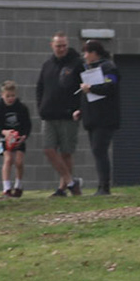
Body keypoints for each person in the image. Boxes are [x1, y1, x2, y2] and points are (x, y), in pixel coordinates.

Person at [35, 32, 86, 197]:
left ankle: (62, 189)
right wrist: (41, 107)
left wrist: (79, 109)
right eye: (58, 46)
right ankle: (71, 182)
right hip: (49, 115)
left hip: (68, 116)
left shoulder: (76, 64)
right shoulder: (47, 65)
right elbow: (40, 88)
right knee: (49, 149)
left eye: (64, 45)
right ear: (52, 45)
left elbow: (85, 89)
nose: (62, 49)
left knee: (66, 153)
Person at [74, 40, 121, 195]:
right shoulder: (89, 69)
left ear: (94, 53)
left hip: (105, 117)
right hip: (92, 117)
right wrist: (81, 110)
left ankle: (104, 186)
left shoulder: (108, 68)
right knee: (97, 151)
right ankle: (101, 185)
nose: (85, 56)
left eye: (87, 52)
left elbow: (110, 87)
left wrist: (91, 88)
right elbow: (88, 96)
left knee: (99, 150)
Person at [0, 80, 34, 197]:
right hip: (6, 138)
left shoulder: (22, 108)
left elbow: (27, 125)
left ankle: (18, 185)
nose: (10, 98)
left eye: (13, 96)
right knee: (8, 159)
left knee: (19, 161)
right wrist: (5, 133)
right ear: (2, 95)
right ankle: (6, 188)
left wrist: (23, 136)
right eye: (8, 96)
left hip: (19, 138)